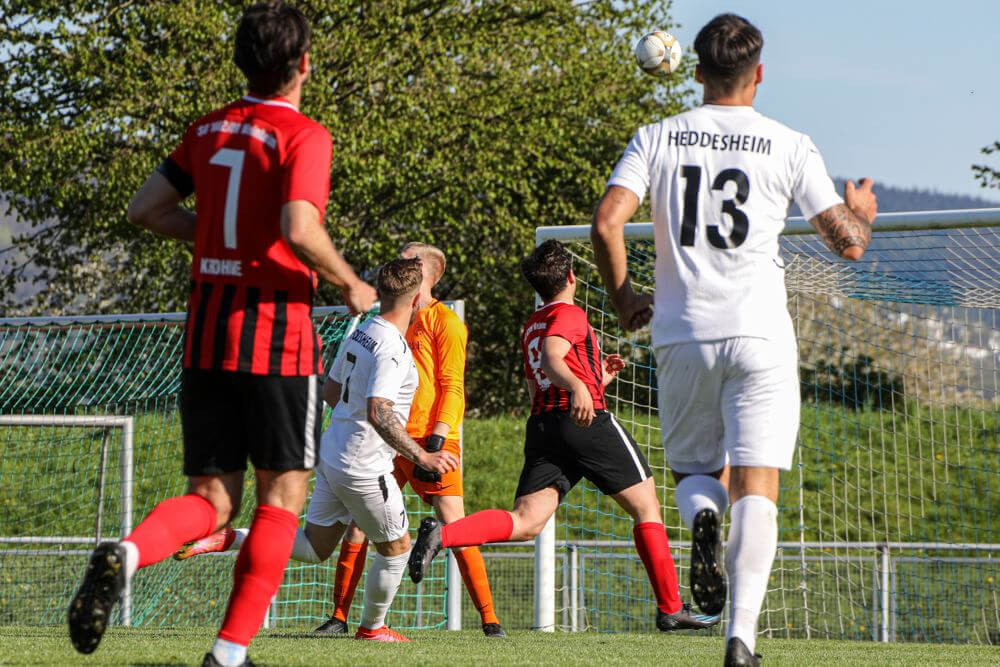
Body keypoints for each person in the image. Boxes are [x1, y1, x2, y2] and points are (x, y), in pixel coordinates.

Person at [67, 3, 376, 665]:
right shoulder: (305, 136)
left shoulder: (205, 130)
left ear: (241, 61)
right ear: (303, 65)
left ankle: (126, 552)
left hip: (207, 332)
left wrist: (211, 239)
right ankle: (229, 653)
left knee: (210, 498)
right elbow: (299, 226)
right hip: (277, 335)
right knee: (282, 496)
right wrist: (350, 281)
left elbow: (145, 209)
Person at [589, 14, 877, 667]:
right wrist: (859, 209)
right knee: (757, 485)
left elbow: (606, 223)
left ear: (695, 73)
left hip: (683, 335)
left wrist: (626, 296)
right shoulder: (788, 143)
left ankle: (699, 522)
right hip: (760, 335)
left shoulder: (657, 137)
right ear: (760, 74)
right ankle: (740, 638)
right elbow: (849, 243)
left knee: (696, 474)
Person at [179, 242, 505, 637]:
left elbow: (332, 391)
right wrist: (423, 455)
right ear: (413, 296)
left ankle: (229, 538)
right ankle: (372, 628)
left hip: (335, 452)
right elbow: (379, 413)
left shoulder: (362, 332)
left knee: (315, 547)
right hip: (369, 462)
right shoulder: (395, 350)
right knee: (397, 548)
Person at [408, 240, 720, 634]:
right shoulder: (569, 314)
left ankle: (443, 534)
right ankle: (671, 608)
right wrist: (578, 388)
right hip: (584, 424)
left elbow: (534, 381)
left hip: (544, 424)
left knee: (527, 522)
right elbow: (554, 358)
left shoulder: (531, 325)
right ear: (571, 277)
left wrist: (594, 380)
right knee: (646, 506)